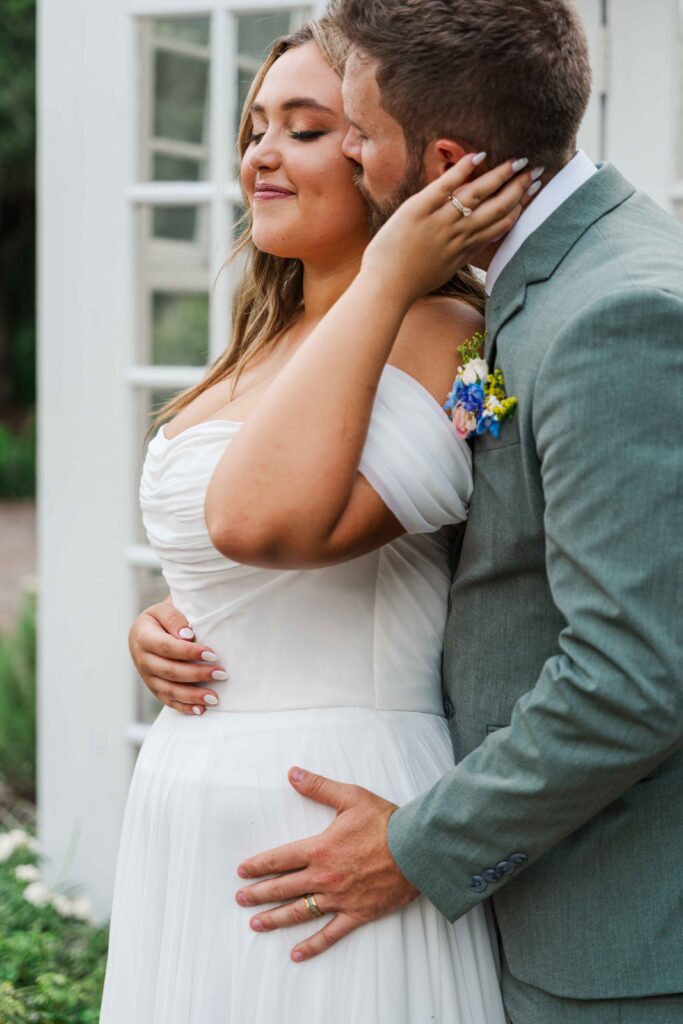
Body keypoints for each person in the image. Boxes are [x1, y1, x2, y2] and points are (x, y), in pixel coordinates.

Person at [204, 2, 681, 1023]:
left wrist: (414, 847)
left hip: (610, 934)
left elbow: (636, 672)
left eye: (348, 131)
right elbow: (474, 512)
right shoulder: (528, 309)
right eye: (259, 126)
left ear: (448, 160)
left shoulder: (607, 315)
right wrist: (199, 617)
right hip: (512, 886)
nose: (272, 156)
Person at [100, 18, 536, 1024]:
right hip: (188, 795)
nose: (258, 153)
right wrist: (160, 622)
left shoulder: (455, 341)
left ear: (383, 159)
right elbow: (234, 559)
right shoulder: (259, 340)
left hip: (330, 809)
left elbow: (269, 523)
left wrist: (390, 268)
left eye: (302, 129)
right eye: (256, 128)